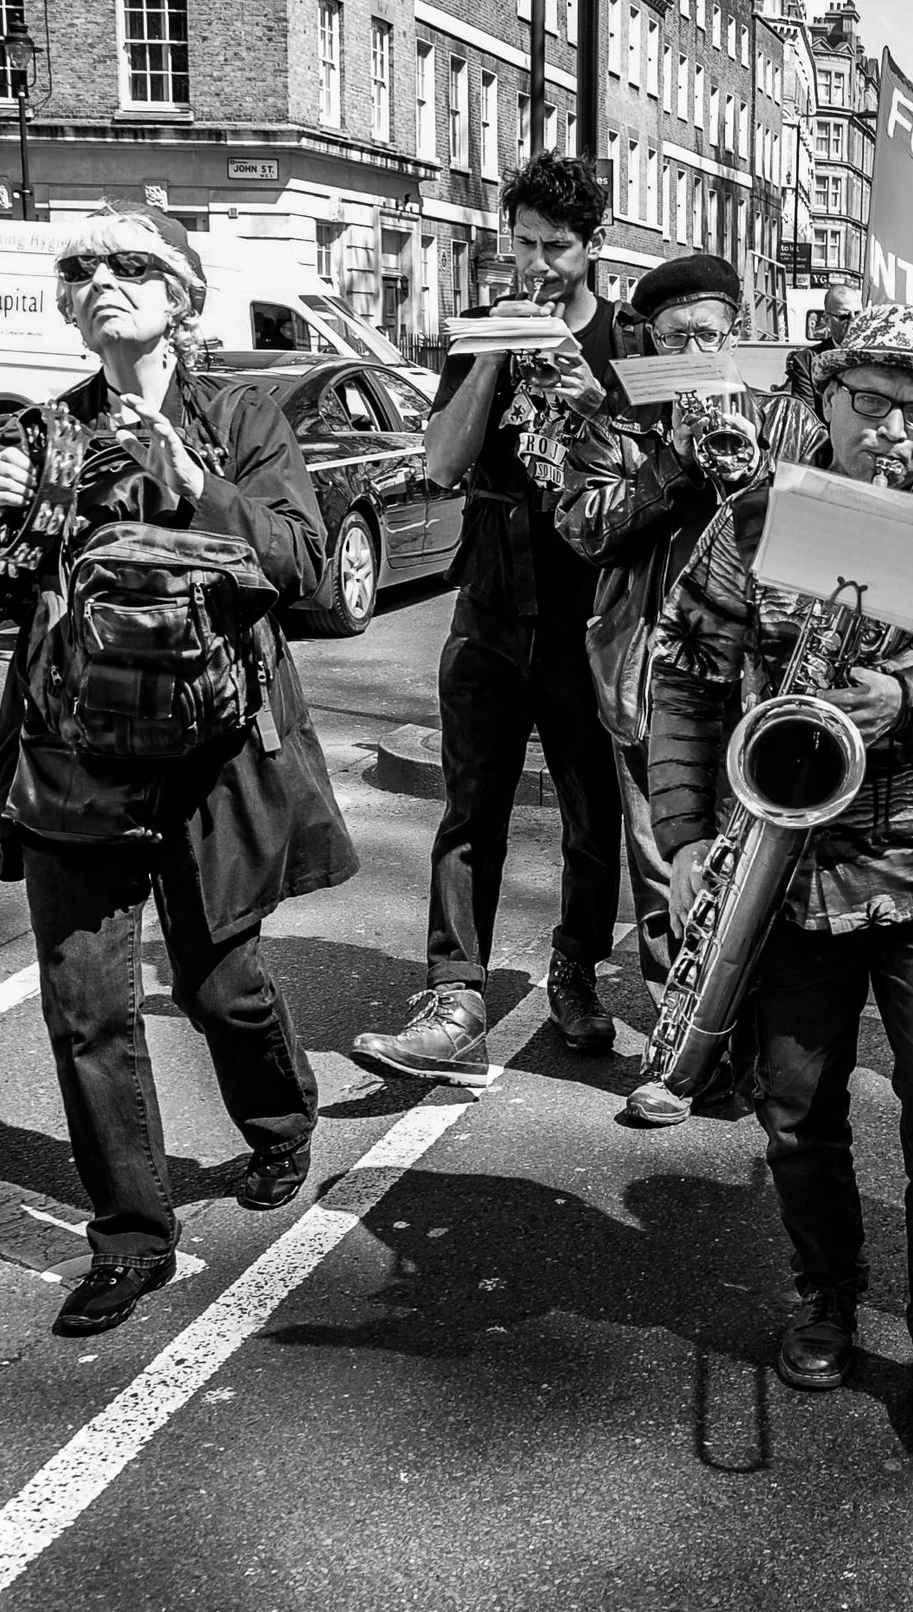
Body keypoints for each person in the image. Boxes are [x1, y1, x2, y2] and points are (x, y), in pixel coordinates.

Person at [647, 305, 913, 1448]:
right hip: (785, 864)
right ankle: (825, 1291)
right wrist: (682, 836)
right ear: (823, 400)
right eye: (869, 402)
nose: (891, 431)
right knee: (793, 1110)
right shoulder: (755, 516)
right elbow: (683, 674)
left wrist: (911, 702)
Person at [0, 205, 357, 1336]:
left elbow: (306, 570)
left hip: (214, 756)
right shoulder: (44, 434)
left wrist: (198, 485)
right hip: (74, 757)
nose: (102, 281)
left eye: (131, 264)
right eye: (81, 269)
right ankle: (130, 1236)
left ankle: (280, 1122)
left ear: (181, 298)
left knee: (221, 985)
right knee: (87, 1007)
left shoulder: (240, 418)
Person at [350, 155, 644, 1085]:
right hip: (488, 606)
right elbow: (441, 463)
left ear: (594, 246)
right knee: (471, 806)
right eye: (523, 243)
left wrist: (596, 400)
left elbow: (661, 473)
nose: (537, 264)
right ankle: (455, 995)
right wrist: (491, 354)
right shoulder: (482, 330)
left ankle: (576, 969)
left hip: (586, 615)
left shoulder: (628, 341)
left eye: (556, 247)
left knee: (592, 815)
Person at [555, 253, 823, 1125]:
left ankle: (753, 1048)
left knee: (763, 867)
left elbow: (824, 523)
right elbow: (585, 530)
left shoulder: (790, 419)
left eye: (710, 336)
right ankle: (683, 1057)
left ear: (736, 335)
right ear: (649, 343)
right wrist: (668, 463)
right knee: (668, 864)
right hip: (649, 675)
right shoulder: (615, 420)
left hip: (762, 680)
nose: (696, 354)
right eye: (676, 339)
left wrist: (752, 478)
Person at [783, 280, 863, 400]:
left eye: (858, 314)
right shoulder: (807, 361)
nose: (854, 321)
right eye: (845, 317)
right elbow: (806, 409)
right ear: (827, 319)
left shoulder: (877, 355)